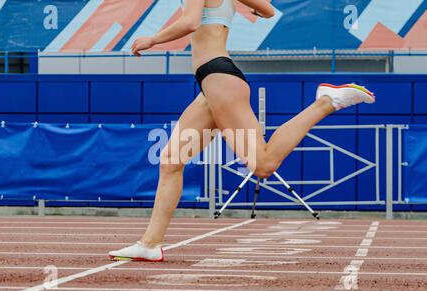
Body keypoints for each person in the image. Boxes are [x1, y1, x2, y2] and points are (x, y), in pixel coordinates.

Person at [109, 0, 375, 262]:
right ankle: (150, 244)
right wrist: (254, 9)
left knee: (264, 164)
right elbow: (269, 10)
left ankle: (326, 102)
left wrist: (152, 40)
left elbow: (189, 22)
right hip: (213, 83)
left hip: (219, 79)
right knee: (170, 161)